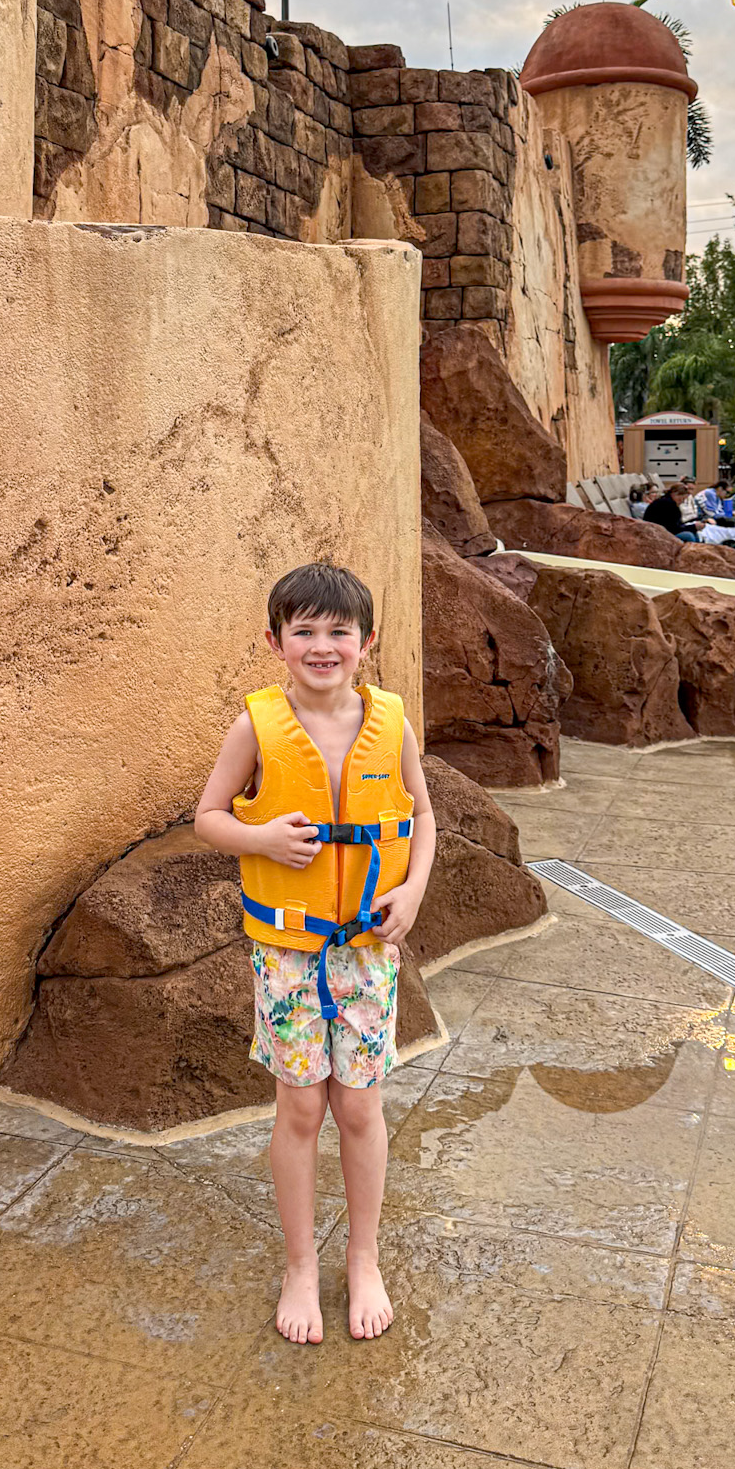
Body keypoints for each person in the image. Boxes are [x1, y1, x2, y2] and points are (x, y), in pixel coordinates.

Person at [194, 562, 437, 1346]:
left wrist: (414, 892)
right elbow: (207, 817)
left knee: (360, 1106)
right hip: (289, 954)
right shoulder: (254, 728)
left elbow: (421, 815)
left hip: (368, 949)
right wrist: (258, 835)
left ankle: (363, 1258)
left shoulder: (389, 723)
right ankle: (302, 1263)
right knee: (300, 1106)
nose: (322, 646)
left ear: (368, 642)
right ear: (275, 641)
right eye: (305, 631)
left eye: (339, 632)